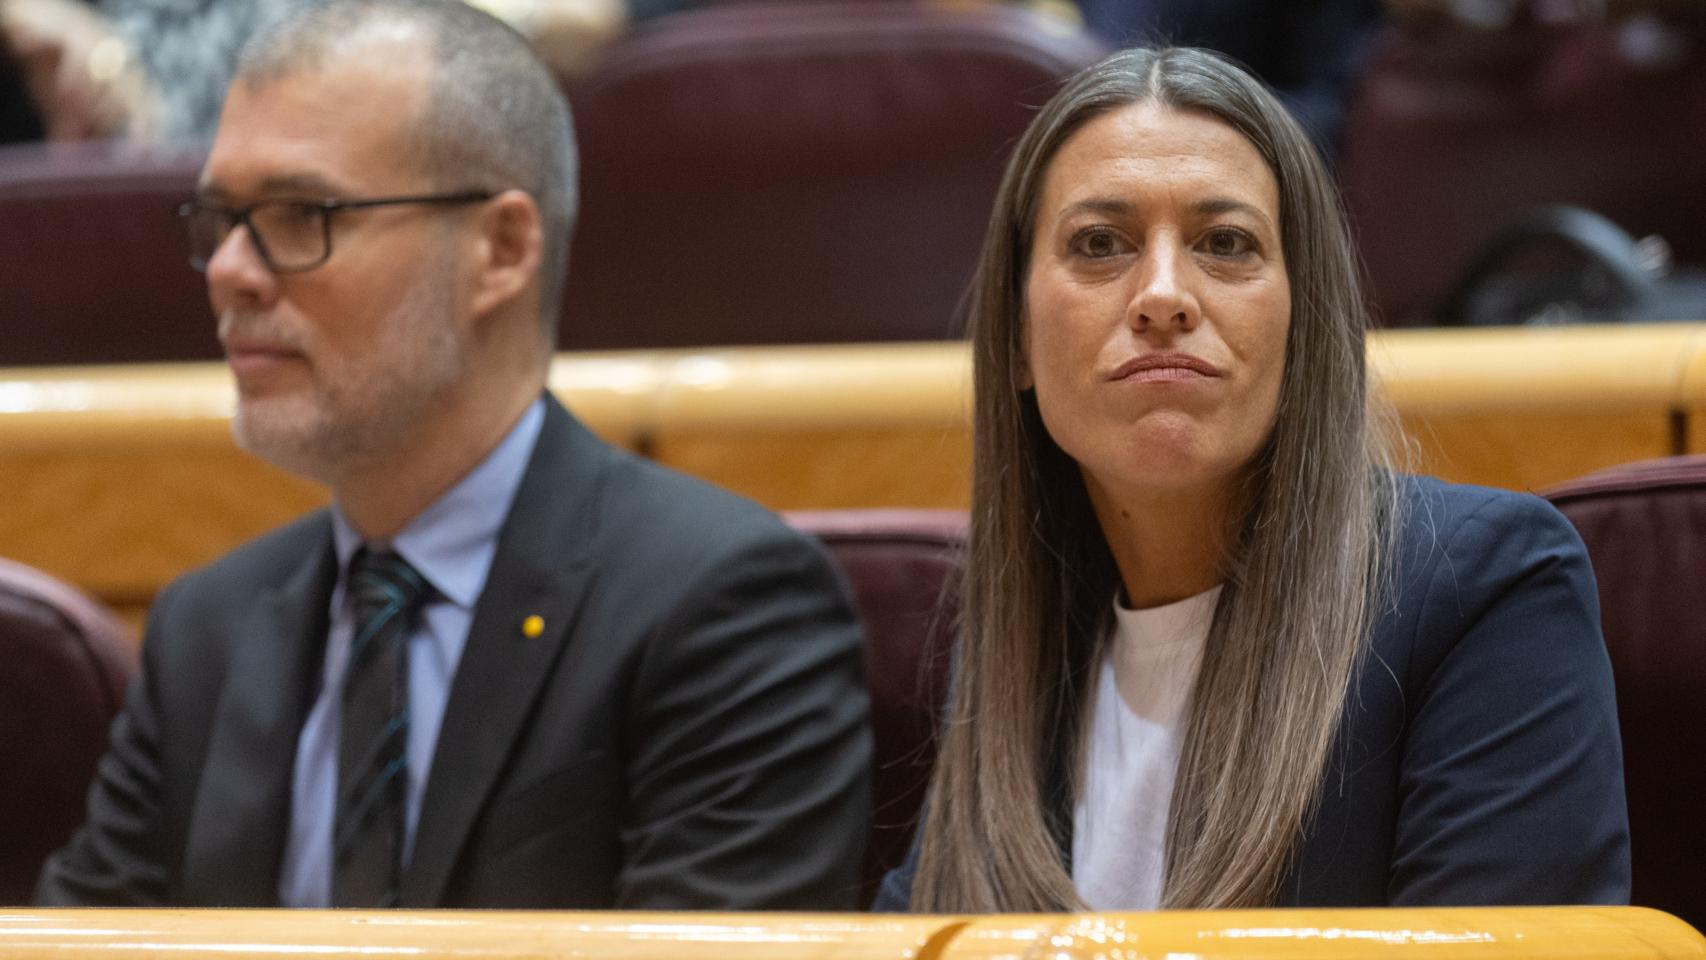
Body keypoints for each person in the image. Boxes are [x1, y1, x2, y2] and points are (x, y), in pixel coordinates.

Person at [36, 0, 870, 910]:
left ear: (500, 249)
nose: (232, 269)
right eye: (221, 218)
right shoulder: (208, 628)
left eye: (299, 212)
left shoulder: (721, 605)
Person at [876, 46, 1629, 912]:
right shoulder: (1013, 633)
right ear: (1014, 337)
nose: (1163, 294)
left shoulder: (1481, 591)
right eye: (1099, 244)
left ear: (1305, 318)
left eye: (1225, 243)